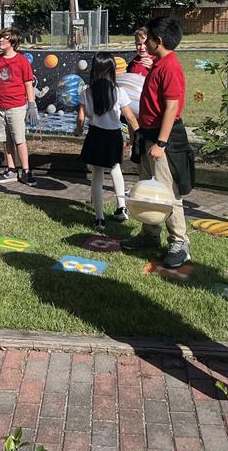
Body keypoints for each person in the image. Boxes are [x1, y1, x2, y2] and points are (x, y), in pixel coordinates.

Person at [120, 16, 194, 268]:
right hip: (148, 134)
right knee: (148, 189)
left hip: (165, 138)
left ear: (157, 41)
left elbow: (172, 106)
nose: (144, 42)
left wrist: (161, 143)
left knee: (166, 191)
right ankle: (149, 235)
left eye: (148, 37)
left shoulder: (170, 66)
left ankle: (179, 242)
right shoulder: (157, 64)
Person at [75, 52, 139, 231]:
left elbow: (81, 118)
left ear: (94, 70)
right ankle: (121, 208)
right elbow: (130, 118)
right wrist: (135, 137)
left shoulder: (86, 92)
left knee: (96, 175)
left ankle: (99, 218)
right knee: (116, 169)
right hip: (114, 136)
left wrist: (78, 131)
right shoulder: (119, 91)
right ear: (112, 70)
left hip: (96, 135)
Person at [0, 27, 39, 186]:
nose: (0, 40)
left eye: (4, 38)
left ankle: (26, 170)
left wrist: (31, 104)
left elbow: (28, 84)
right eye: (0, 38)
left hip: (16, 106)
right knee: (5, 140)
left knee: (19, 139)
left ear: (12, 41)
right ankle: (11, 169)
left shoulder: (21, 61)